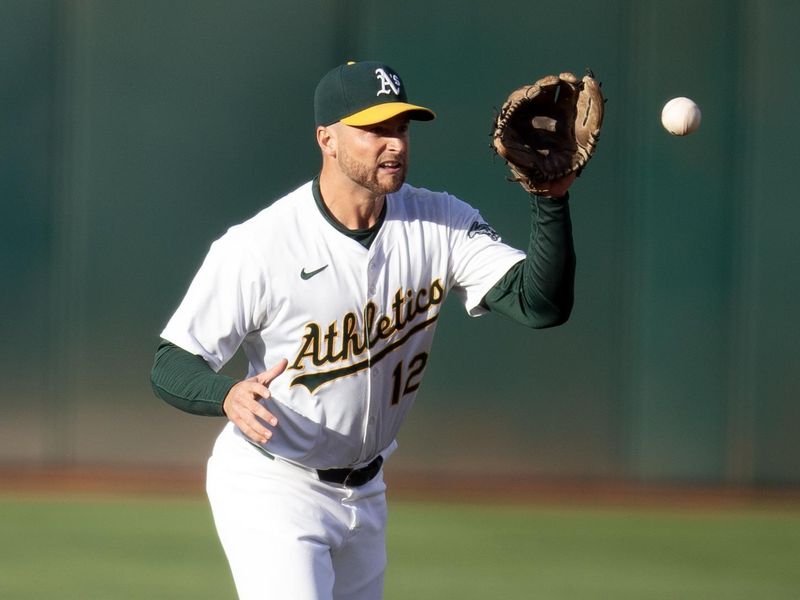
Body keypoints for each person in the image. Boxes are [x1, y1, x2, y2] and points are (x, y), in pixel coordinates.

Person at [151, 60, 576, 600]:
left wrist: (551, 201)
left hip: (367, 491)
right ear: (326, 138)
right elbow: (170, 362)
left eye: (400, 127)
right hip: (273, 485)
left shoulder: (438, 221)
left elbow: (540, 305)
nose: (394, 144)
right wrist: (227, 394)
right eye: (374, 129)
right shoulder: (259, 246)